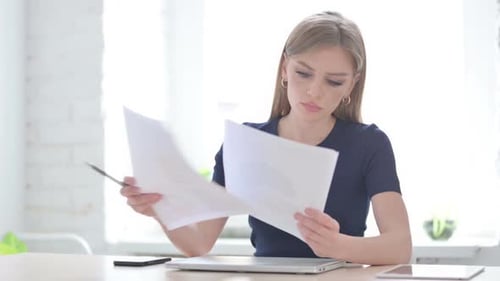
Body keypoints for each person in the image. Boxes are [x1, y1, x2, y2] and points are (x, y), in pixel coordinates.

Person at [120, 11, 412, 265]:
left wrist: (337, 246)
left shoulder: (369, 144)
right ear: (285, 68)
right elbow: (199, 243)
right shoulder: (244, 142)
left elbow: (400, 246)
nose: (314, 92)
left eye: (334, 81)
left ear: (352, 83)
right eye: (303, 74)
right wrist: (157, 208)